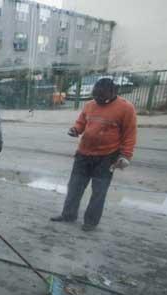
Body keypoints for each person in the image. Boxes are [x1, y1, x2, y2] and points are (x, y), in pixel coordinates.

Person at [51, 78, 137, 231]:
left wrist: (125, 156)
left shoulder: (126, 108)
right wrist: (76, 129)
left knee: (99, 191)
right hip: (83, 154)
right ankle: (68, 215)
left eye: (101, 97)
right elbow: (82, 122)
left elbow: (129, 134)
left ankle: (90, 222)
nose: (98, 100)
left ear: (113, 92)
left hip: (107, 157)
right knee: (74, 187)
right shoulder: (90, 105)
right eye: (96, 96)